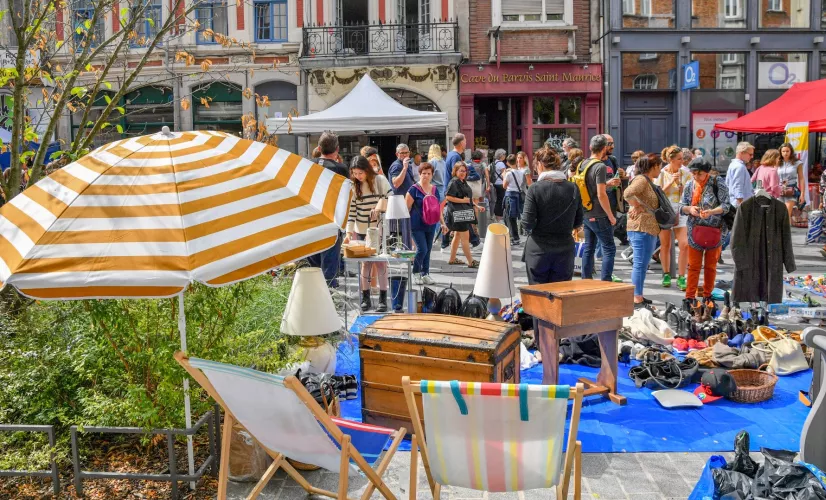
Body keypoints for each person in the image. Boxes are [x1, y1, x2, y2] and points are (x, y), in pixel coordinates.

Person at [521, 146, 583, 285]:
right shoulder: (573, 188)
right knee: (560, 293)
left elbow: (527, 223)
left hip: (539, 248)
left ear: (540, 164)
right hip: (564, 248)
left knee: (538, 293)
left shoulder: (535, 188)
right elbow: (578, 221)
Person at [679, 157, 730, 309]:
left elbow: (726, 205)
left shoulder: (717, 182)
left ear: (706, 172)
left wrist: (711, 212)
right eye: (693, 173)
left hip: (715, 230)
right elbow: (682, 206)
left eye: (699, 174)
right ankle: (689, 297)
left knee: (710, 266)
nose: (696, 176)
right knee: (693, 266)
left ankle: (708, 295)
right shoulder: (690, 185)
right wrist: (690, 209)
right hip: (695, 230)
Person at [344, 155, 393, 312]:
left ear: (367, 170)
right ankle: (365, 298)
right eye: (355, 173)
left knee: (381, 263)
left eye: (360, 173)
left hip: (379, 229)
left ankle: (383, 299)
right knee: (365, 263)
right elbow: (351, 212)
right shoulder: (353, 186)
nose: (358, 176)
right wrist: (348, 233)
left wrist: (378, 208)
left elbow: (391, 198)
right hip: (361, 230)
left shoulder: (380, 180)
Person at [307, 131, 349, 287]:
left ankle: (316, 294)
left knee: (314, 266)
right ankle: (329, 296)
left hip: (310, 220)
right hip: (331, 221)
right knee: (329, 268)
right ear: (337, 149)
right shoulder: (340, 169)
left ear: (319, 148)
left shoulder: (307, 165)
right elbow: (345, 196)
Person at [624, 155, 663, 307]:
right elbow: (627, 193)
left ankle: (638, 294)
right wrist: (637, 205)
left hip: (647, 227)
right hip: (641, 227)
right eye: (660, 167)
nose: (660, 170)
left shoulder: (646, 180)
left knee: (642, 264)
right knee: (640, 264)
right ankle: (636, 297)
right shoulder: (641, 180)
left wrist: (639, 205)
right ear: (654, 166)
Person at [579, 134, 617, 282]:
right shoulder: (600, 166)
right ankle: (606, 282)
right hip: (600, 214)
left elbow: (590, 187)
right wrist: (611, 216)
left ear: (590, 147)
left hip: (586, 211)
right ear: (604, 148)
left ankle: (586, 280)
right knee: (609, 248)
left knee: (589, 247)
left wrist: (606, 184)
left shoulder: (583, 164)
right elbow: (601, 194)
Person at [656, 146, 691, 290]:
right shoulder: (662, 173)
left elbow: (689, 194)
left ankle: (682, 276)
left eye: (683, 158)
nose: (682, 161)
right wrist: (670, 182)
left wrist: (683, 189)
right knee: (665, 245)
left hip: (680, 210)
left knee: (684, 244)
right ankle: (666, 274)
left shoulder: (686, 173)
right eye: (679, 159)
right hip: (665, 211)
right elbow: (657, 194)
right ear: (671, 159)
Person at [405, 162, 440, 285]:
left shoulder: (434, 189)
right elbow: (406, 208)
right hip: (416, 224)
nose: (426, 176)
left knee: (428, 250)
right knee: (422, 249)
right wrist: (405, 226)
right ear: (419, 174)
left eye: (429, 173)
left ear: (432, 175)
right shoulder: (413, 189)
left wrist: (443, 223)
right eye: (424, 173)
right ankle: (416, 273)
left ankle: (425, 273)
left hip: (431, 224)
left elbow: (438, 208)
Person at [444, 161, 482, 268]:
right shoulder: (454, 182)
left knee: (457, 236)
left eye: (464, 171)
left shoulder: (462, 181)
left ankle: (452, 259)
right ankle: (470, 261)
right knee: (465, 238)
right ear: (455, 171)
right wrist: (463, 201)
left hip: (462, 213)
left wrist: (476, 206)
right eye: (460, 171)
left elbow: (467, 198)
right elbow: (448, 197)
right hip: (458, 214)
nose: (463, 173)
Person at [502, 154, 532, 246]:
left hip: (509, 195)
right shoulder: (520, 172)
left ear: (507, 163)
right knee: (513, 216)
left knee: (509, 217)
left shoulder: (508, 173)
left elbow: (504, 186)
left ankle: (514, 237)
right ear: (516, 161)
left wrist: (504, 175)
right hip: (517, 195)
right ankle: (514, 236)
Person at [779, 142, 807, 223]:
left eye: (787, 151)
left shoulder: (797, 163)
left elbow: (801, 178)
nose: (785, 153)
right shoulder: (777, 162)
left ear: (791, 151)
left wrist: (802, 194)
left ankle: (785, 229)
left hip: (791, 189)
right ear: (780, 152)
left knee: (786, 213)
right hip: (779, 189)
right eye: (783, 151)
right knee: (779, 214)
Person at [726, 141, 755, 207]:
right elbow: (738, 187)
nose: (752, 157)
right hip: (741, 205)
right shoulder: (739, 167)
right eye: (750, 154)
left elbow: (728, 184)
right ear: (742, 152)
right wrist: (741, 206)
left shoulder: (733, 164)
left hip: (736, 203)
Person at [491, 148, 507, 220]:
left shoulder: (494, 163)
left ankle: (495, 214)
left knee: (497, 199)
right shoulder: (501, 164)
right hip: (501, 184)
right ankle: (499, 216)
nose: (505, 156)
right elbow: (504, 175)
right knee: (501, 200)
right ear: (501, 155)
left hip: (495, 183)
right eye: (504, 155)